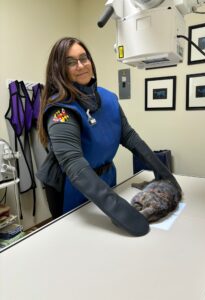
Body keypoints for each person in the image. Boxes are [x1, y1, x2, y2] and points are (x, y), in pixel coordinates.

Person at [37, 37, 182, 237]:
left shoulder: (108, 98)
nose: (80, 66)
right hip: (71, 184)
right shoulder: (60, 110)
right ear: (59, 69)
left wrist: (163, 172)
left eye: (83, 58)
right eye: (70, 62)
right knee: (78, 239)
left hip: (104, 177)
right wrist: (120, 209)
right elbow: (73, 163)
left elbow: (129, 136)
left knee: (109, 238)